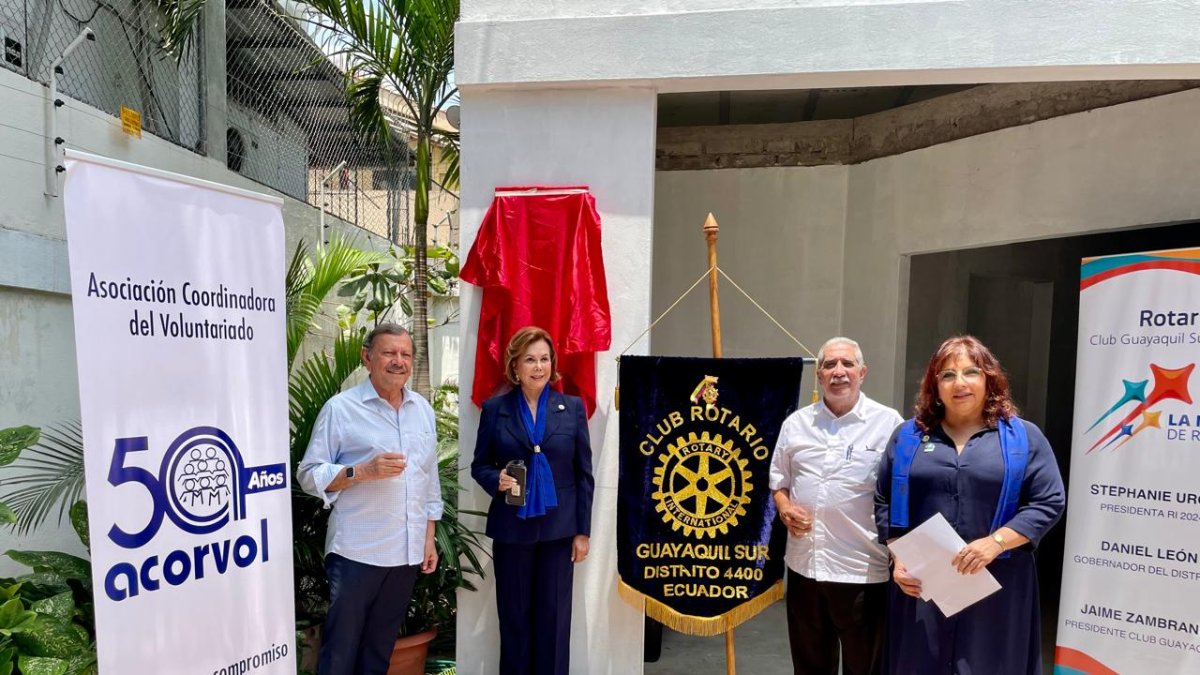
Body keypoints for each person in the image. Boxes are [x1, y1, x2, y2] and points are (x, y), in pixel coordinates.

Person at [874, 335, 1065, 675]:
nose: (959, 383)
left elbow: (1048, 500)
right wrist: (898, 557)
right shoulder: (908, 438)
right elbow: (884, 499)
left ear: (989, 378)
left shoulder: (1024, 437)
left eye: (971, 372)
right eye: (947, 374)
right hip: (923, 586)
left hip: (997, 588)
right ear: (935, 384)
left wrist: (996, 542)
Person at [297, 323, 442, 675]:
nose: (398, 361)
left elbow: (428, 478)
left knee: (379, 650)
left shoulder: (422, 409)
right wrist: (361, 472)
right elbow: (307, 474)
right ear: (367, 357)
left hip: (405, 553)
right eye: (389, 353)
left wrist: (429, 538)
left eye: (405, 354)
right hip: (357, 553)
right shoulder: (341, 409)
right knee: (341, 652)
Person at [769, 337, 902, 675]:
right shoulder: (796, 424)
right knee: (810, 666)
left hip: (862, 572)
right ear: (819, 375)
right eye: (829, 364)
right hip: (804, 570)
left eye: (847, 364)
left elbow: (904, 494)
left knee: (865, 668)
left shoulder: (889, 424)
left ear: (862, 372)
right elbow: (778, 480)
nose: (838, 371)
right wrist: (784, 507)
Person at [471, 326, 595, 675]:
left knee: (554, 622)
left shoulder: (570, 408)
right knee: (514, 619)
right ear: (515, 366)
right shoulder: (495, 409)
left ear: (552, 364)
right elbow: (480, 465)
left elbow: (583, 475)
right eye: (530, 360)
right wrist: (496, 479)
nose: (538, 367)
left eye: (544, 359)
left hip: (559, 533)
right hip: (512, 531)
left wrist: (582, 532)